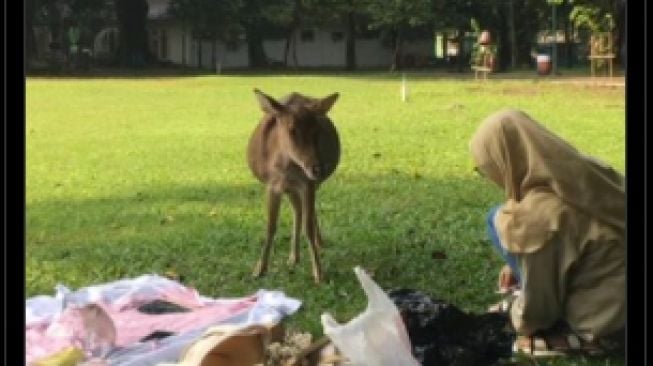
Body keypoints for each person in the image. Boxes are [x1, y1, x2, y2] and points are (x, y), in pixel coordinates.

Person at [469, 109, 625, 357]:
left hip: (608, 316)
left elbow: (539, 312)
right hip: (614, 277)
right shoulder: (585, 170)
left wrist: (515, 316)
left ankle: (588, 337)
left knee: (502, 219)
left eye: (485, 168)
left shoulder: (538, 216)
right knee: (502, 214)